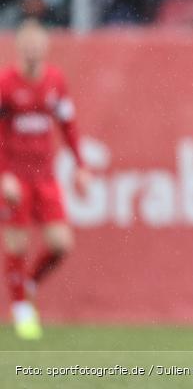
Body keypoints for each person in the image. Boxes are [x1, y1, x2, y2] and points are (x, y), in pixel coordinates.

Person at [0, 18, 90, 339]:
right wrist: (3, 176)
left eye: (38, 45)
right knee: (17, 242)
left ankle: (30, 282)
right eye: (27, 46)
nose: (32, 51)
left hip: (45, 177)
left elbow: (68, 124)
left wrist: (80, 165)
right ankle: (21, 308)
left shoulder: (55, 81)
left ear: (47, 48)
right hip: (15, 177)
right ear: (18, 48)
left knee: (60, 243)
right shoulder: (6, 84)